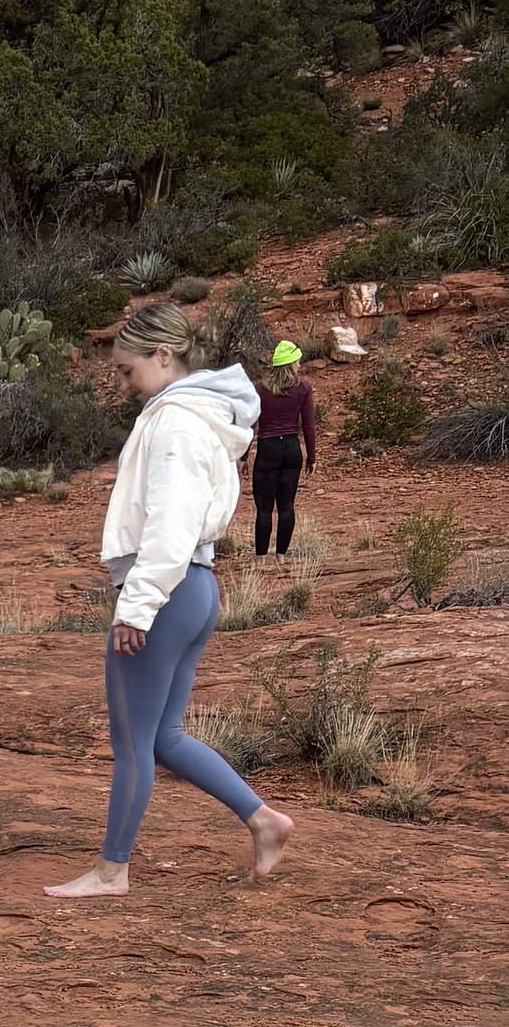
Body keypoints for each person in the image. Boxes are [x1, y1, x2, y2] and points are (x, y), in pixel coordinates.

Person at [46, 300, 294, 901]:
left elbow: (172, 522)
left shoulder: (178, 422)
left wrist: (136, 605)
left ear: (164, 355)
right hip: (194, 588)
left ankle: (111, 872)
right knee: (165, 738)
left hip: (167, 589)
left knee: (132, 743)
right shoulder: (199, 417)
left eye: (128, 371)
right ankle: (265, 820)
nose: (123, 384)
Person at [251, 337, 316, 556]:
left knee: (264, 508)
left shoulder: (260, 389)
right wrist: (311, 457)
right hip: (291, 449)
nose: (300, 365)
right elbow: (308, 425)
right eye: (297, 361)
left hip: (267, 449)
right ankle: (281, 557)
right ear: (290, 364)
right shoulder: (303, 388)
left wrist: (242, 457)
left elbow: (251, 424)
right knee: (286, 505)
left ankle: (260, 559)